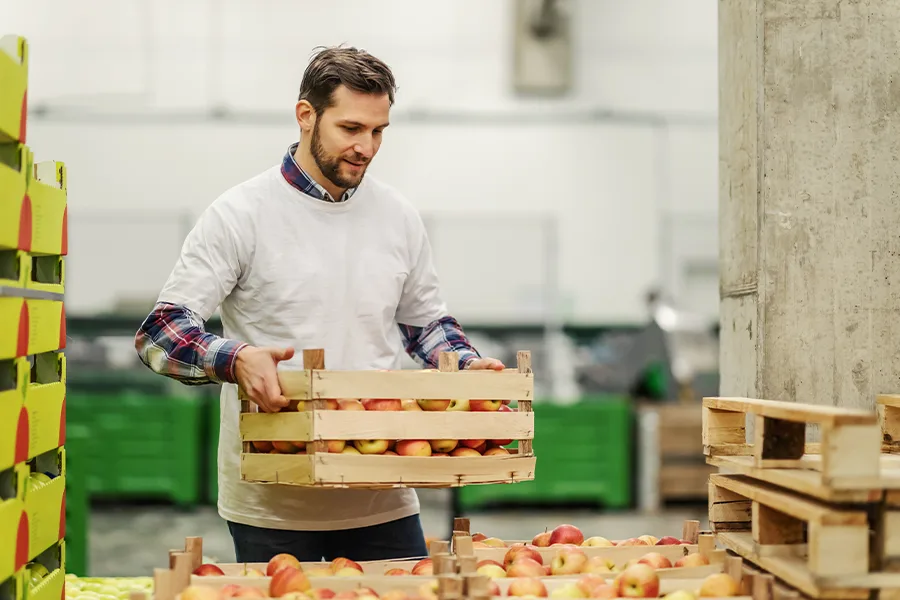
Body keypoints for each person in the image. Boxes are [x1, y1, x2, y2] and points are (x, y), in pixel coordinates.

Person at [134, 46, 504, 563]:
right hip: (273, 499)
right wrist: (234, 358)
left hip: (384, 492)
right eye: (351, 128)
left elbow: (426, 325)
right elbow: (161, 333)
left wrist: (467, 364)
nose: (366, 147)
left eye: (378, 131)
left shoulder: (397, 216)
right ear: (306, 116)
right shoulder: (241, 214)